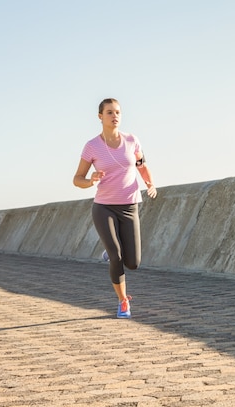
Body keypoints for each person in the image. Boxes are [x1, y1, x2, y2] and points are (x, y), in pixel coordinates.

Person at [73, 98, 157, 318]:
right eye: (109, 112)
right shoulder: (92, 146)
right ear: (100, 116)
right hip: (104, 207)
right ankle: (123, 302)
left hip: (130, 206)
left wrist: (150, 183)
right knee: (117, 255)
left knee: (133, 263)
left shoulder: (132, 141)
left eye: (118, 112)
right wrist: (90, 180)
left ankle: (110, 253)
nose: (115, 116)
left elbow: (142, 166)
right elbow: (77, 179)